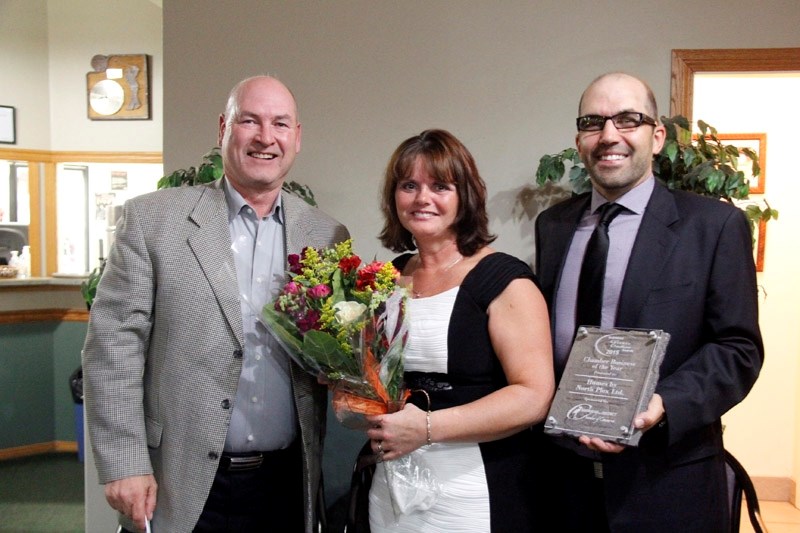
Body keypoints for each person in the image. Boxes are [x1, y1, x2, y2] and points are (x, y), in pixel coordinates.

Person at [83, 75, 349, 533]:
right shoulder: (153, 220)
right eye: (250, 121)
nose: (266, 137)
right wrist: (124, 461)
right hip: (179, 482)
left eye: (280, 124)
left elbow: (335, 352)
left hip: (285, 484)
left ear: (297, 137)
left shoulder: (327, 236)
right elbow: (112, 347)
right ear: (224, 128)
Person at [534, 72, 764, 531]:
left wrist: (662, 405)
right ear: (579, 139)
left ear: (657, 137)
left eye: (628, 120)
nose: (608, 136)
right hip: (562, 482)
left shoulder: (714, 227)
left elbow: (738, 350)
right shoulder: (553, 226)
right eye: (593, 122)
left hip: (666, 484)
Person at [361, 129, 555, 531]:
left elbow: (534, 396)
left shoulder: (505, 281)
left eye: (440, 186)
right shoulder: (386, 278)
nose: (422, 198)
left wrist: (428, 429)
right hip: (392, 487)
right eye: (409, 185)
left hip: (473, 491)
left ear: (464, 195)